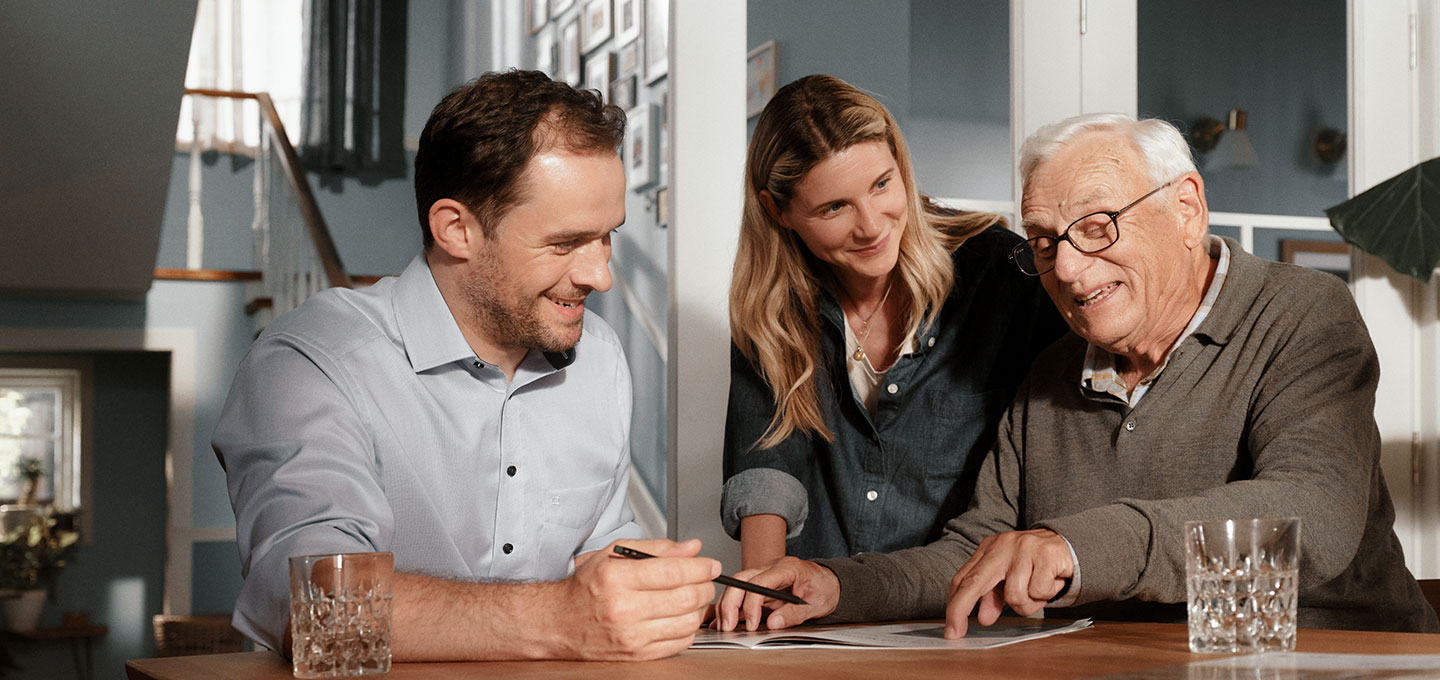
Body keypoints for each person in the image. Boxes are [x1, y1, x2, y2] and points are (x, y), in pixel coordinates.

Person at [715, 112, 1440, 636]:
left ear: (1186, 209)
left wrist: (1070, 546)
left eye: (1097, 227)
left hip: (1336, 654)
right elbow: (974, 552)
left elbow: (1314, 513)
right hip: (1127, 661)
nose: (1065, 267)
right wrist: (836, 585)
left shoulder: (1301, 312)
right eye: (1045, 241)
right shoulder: (1053, 370)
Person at [214, 70, 718, 662]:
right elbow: (311, 610)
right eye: (565, 244)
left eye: (607, 238)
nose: (600, 276)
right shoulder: (309, 363)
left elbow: (603, 550)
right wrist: (560, 618)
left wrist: (670, 593)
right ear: (456, 229)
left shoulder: (599, 356)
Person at [722, 75, 1066, 571]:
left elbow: (1062, 435)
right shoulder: (771, 309)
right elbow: (766, 467)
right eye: (835, 207)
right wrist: (763, 585)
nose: (871, 225)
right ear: (777, 210)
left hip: (965, 604)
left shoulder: (999, 271)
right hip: (824, 607)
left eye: (881, 184)